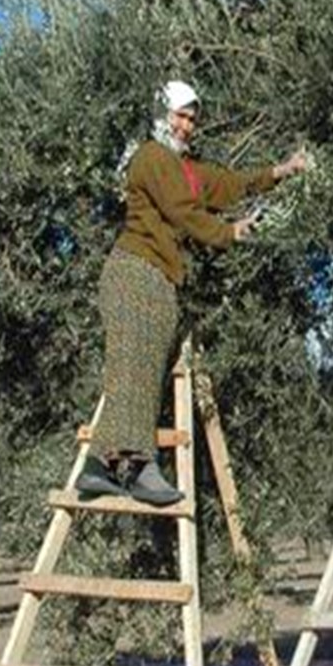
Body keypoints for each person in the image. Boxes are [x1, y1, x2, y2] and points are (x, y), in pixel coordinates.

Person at [79, 79, 309, 504]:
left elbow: (227, 184)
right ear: (161, 115)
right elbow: (182, 212)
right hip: (134, 272)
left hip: (155, 277)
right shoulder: (152, 157)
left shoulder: (183, 167)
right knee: (136, 368)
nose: (187, 125)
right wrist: (227, 232)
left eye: (191, 118)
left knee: (139, 368)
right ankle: (139, 468)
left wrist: (280, 171)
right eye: (180, 116)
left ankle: (98, 468)